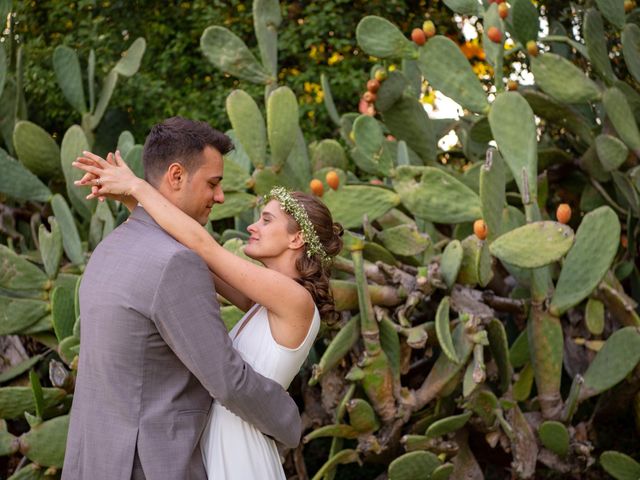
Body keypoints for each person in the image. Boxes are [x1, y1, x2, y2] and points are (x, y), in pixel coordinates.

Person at [72, 129, 344, 479]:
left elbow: (205, 249)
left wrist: (139, 187)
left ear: (297, 237)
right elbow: (190, 258)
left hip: (240, 441)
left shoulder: (295, 299)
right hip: (220, 436)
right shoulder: (264, 301)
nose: (252, 226)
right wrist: (133, 206)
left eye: (266, 219)